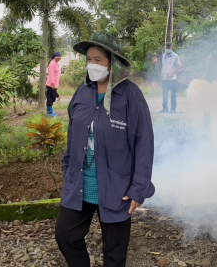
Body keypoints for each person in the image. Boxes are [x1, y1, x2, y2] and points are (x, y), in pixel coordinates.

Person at [55, 32, 155, 267]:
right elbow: (72, 133)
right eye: (89, 59)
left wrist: (139, 188)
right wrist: (67, 168)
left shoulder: (131, 95)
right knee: (66, 236)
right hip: (80, 185)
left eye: (98, 59)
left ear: (113, 63)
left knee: (114, 253)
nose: (92, 64)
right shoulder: (82, 91)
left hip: (117, 188)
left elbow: (144, 143)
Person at [160, 42, 181, 114]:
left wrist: (172, 73)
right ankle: (165, 109)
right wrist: (162, 73)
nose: (168, 49)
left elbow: (179, 66)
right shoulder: (163, 55)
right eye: (167, 48)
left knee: (173, 94)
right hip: (165, 79)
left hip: (172, 79)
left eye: (169, 48)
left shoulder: (175, 56)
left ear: (172, 48)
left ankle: (173, 109)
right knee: (165, 94)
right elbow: (163, 65)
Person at [46, 51, 62, 117]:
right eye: (57, 57)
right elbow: (51, 74)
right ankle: (49, 113)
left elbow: (56, 75)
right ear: (54, 57)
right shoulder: (52, 63)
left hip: (54, 84)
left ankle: (51, 112)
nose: (59, 58)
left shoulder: (56, 63)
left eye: (60, 57)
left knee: (53, 97)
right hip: (51, 84)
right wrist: (53, 83)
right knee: (50, 98)